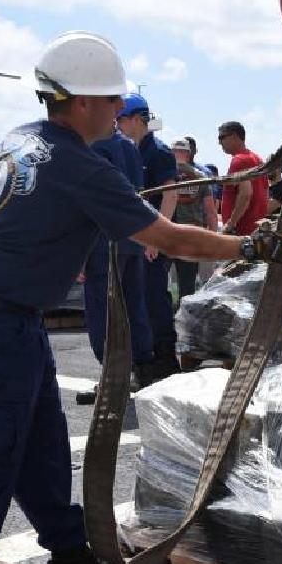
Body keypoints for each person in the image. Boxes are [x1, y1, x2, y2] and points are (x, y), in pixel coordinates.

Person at [0, 31, 282, 564]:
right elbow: (167, 237)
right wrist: (248, 248)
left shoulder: (21, 139)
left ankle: (69, 555)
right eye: (112, 101)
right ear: (81, 104)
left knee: (40, 445)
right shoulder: (77, 165)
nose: (121, 112)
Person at [81, 120, 157, 394]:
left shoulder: (95, 145)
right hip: (133, 238)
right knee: (133, 305)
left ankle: (113, 375)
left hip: (104, 242)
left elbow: (92, 200)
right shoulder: (127, 145)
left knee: (103, 310)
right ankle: (138, 367)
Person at [117, 92, 181, 376]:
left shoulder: (159, 152)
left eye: (120, 119)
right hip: (133, 240)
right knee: (133, 301)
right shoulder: (125, 151)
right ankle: (140, 361)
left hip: (152, 240)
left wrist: (159, 236)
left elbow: (170, 194)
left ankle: (164, 361)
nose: (116, 125)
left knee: (154, 299)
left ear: (134, 119)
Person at [170, 137, 217, 298]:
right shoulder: (201, 176)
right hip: (191, 233)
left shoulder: (165, 175)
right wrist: (213, 236)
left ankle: (170, 315)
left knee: (165, 281)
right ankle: (185, 316)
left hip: (166, 232)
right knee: (187, 282)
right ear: (189, 153)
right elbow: (211, 210)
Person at [218, 120, 268, 236]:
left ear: (234, 136)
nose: (219, 143)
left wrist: (231, 224)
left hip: (241, 231)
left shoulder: (240, 160)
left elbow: (246, 194)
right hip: (255, 230)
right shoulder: (257, 159)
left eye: (222, 137)